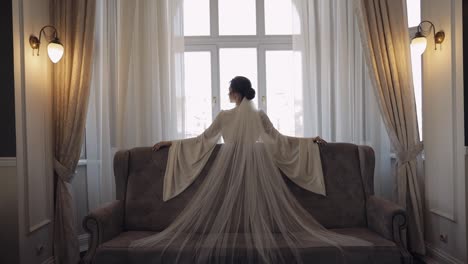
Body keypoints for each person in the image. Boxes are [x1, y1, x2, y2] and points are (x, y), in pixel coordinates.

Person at [131, 76, 373, 263]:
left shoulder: (226, 116)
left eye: (229, 90)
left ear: (235, 93)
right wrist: (309, 141)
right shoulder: (259, 116)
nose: (227, 93)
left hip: (227, 176)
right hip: (257, 175)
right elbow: (280, 141)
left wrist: (170, 144)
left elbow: (201, 140)